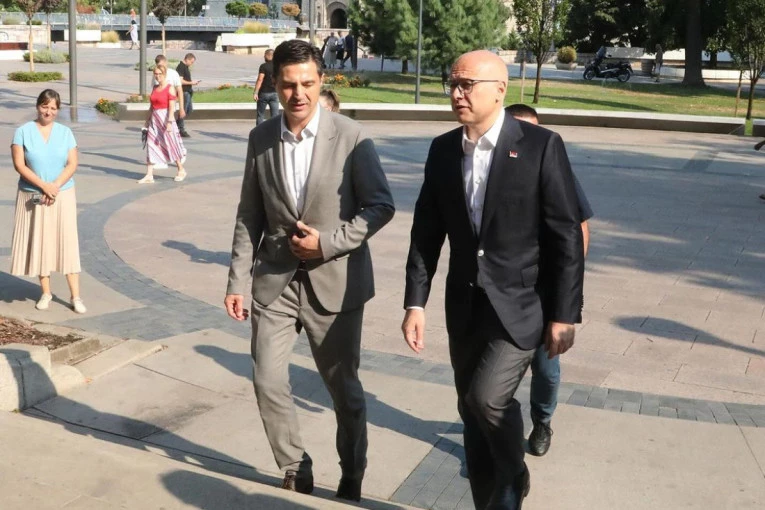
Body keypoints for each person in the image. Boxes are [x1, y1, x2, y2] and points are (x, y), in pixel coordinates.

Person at [401, 50, 584, 510]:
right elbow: (426, 232)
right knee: (470, 410)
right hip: (464, 306)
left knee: (487, 399)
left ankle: (515, 474)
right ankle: (490, 500)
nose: (457, 93)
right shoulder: (443, 149)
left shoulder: (541, 145)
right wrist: (415, 303)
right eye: (452, 83)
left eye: (468, 84)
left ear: (500, 90)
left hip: (522, 305)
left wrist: (565, 314)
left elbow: (566, 234)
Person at [224, 39, 395, 502]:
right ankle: (294, 466)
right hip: (275, 281)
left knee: (344, 390)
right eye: (288, 85)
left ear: (322, 81)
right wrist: (237, 279)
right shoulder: (261, 138)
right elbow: (249, 215)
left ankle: (352, 470)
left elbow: (380, 206)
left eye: (307, 83)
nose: (298, 94)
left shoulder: (351, 136)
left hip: (335, 282)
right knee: (266, 379)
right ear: (275, 84)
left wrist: (327, 243)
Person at [505, 103, 593, 457]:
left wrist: (568, 288)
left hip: (544, 290)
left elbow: (579, 228)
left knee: (546, 366)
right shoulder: (490, 166)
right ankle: (498, 431)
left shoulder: (553, 166)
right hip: (502, 289)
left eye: (534, 130)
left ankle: (542, 421)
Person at [10, 89, 86, 314]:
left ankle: (75, 296)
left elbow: (72, 163)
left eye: (53, 108)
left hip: (62, 194)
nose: (48, 111)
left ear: (58, 110)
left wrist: (54, 186)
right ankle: (46, 292)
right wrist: (43, 186)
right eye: (45, 106)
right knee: (41, 242)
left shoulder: (66, 133)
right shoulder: (22, 132)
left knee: (66, 242)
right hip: (33, 195)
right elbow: (19, 165)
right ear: (37, 106)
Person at [138, 64, 187, 184]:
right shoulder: (155, 88)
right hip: (155, 119)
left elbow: (171, 107)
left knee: (170, 144)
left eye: (160, 74)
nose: (158, 76)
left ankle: (181, 169)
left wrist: (169, 122)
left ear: (164, 74)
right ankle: (149, 175)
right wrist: (147, 121)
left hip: (165, 118)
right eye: (155, 74)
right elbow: (151, 107)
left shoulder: (170, 88)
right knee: (151, 145)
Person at [152, 54, 186, 171]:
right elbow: (154, 91)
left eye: (162, 65)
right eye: (158, 65)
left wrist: (181, 108)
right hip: (157, 113)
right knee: (158, 138)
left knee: (171, 136)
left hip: (168, 111)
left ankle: (180, 154)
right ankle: (157, 164)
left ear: (166, 63)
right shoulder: (156, 74)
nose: (158, 75)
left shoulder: (173, 74)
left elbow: (179, 91)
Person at [175, 53, 199, 138]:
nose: (192, 64)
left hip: (188, 92)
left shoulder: (186, 67)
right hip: (184, 92)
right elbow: (180, 81)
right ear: (187, 59)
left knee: (189, 110)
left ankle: (177, 124)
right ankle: (181, 129)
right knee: (183, 111)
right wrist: (191, 82)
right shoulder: (181, 67)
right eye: (191, 62)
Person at [254, 48, 279, 125]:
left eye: (264, 55)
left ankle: (259, 132)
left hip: (263, 93)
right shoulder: (278, 66)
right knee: (275, 116)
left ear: (268, 55)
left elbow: (260, 79)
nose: (264, 57)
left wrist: (256, 92)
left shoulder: (263, 66)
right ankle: (275, 132)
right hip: (275, 93)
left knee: (260, 115)